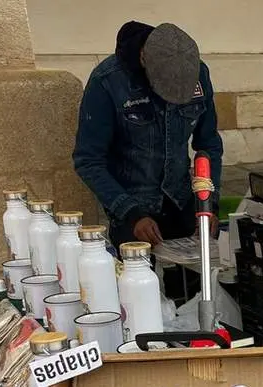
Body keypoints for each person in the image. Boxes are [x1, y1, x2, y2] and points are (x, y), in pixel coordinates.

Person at [73, 21, 223, 247]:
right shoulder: (107, 82)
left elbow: (209, 145)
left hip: (182, 200)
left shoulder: (197, 72)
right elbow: (88, 160)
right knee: (138, 278)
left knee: (193, 279)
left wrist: (208, 204)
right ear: (143, 60)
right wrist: (130, 213)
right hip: (131, 205)